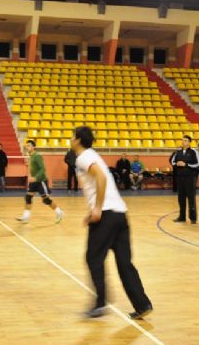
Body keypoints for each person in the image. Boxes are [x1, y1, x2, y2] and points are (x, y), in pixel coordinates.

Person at [72, 126, 152, 319]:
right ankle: (142, 305)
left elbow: (100, 176)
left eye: (72, 137)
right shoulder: (92, 154)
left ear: (79, 140)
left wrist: (97, 208)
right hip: (120, 213)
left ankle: (100, 303)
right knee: (124, 263)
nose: (70, 140)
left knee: (93, 258)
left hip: (106, 215)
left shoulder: (83, 156)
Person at [16, 140, 64, 224]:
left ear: (34, 147)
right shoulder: (31, 156)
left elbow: (43, 169)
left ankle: (59, 213)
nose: (27, 147)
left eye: (29, 146)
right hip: (34, 182)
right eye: (27, 146)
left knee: (46, 200)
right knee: (28, 197)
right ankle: (26, 217)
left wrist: (36, 177)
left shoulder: (37, 156)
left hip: (41, 181)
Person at [172, 135, 199, 224]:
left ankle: (193, 218)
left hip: (190, 178)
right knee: (181, 198)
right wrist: (177, 163)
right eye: (182, 140)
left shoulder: (193, 151)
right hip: (180, 178)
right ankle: (182, 217)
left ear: (189, 142)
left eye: (185, 140)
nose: (183, 142)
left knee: (191, 198)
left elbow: (197, 164)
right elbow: (172, 162)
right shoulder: (178, 152)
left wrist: (186, 165)